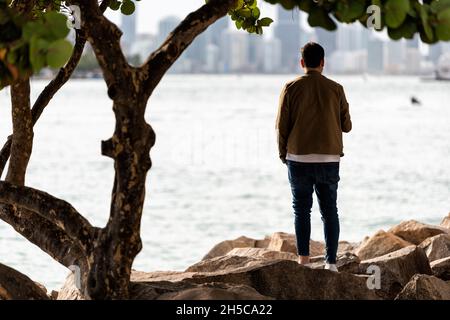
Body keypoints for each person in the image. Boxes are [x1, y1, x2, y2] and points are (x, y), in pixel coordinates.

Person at [275, 42, 352, 272]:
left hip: (298, 158)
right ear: (322, 62)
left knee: (301, 210)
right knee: (330, 211)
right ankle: (330, 262)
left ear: (302, 63)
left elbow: (281, 126)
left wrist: (283, 154)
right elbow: (347, 126)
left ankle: (304, 262)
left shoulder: (290, 87)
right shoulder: (336, 88)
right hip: (329, 158)